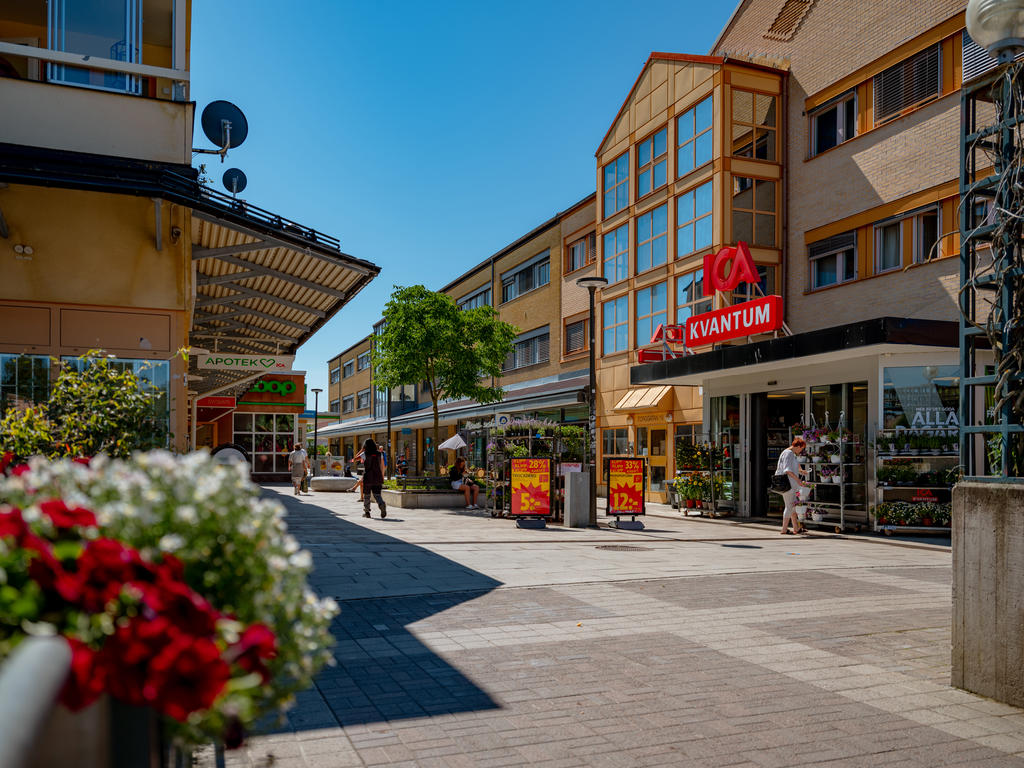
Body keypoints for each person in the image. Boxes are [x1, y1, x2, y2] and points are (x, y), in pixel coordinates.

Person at [774, 436, 810, 534]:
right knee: (789, 506)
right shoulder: (789, 453)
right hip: (788, 484)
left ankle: (796, 528)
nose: (801, 451)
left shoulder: (788, 453)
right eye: (801, 449)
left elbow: (791, 466)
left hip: (788, 484)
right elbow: (787, 470)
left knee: (792, 505)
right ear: (798, 446)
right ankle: (784, 529)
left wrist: (801, 471)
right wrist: (798, 480)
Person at [360, 438, 387, 519]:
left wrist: (362, 450)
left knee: (367, 495)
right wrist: (382, 475)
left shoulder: (364, 454)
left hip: (368, 477)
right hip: (377, 476)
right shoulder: (380, 454)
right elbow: (383, 466)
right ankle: (381, 503)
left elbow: (357, 459)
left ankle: (367, 512)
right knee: (377, 494)